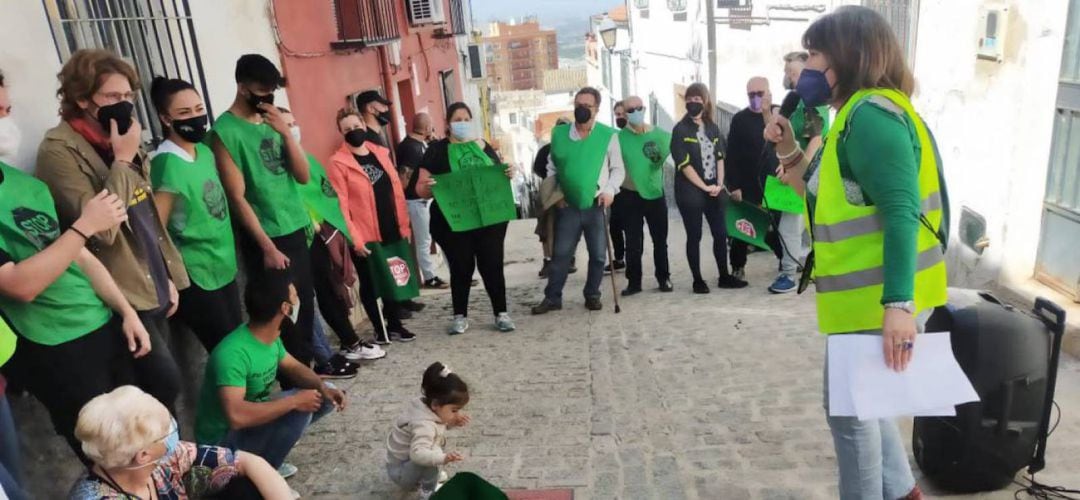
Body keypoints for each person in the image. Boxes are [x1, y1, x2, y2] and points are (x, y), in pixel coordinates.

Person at [764, 6, 949, 499]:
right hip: (864, 300)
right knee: (868, 406)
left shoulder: (870, 116)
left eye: (814, 53)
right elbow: (826, 190)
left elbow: (901, 209)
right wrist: (787, 149)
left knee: (851, 416)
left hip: (879, 299)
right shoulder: (855, 113)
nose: (805, 66)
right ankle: (905, 493)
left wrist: (898, 306)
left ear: (846, 56)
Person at [35, 48, 185, 406]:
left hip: (150, 277)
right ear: (82, 99)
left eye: (128, 96)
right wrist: (121, 160)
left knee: (160, 393)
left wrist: (166, 271)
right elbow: (100, 229)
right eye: (112, 97)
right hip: (116, 287)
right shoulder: (59, 151)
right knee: (160, 386)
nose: (124, 105)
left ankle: (167, 456)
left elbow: (143, 209)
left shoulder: (118, 136)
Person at [0, 150, 170, 457]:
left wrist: (126, 311)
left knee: (144, 423)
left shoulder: (20, 181)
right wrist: (85, 226)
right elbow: (21, 286)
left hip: (100, 319)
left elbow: (79, 254)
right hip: (50, 343)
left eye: (6, 108)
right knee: (103, 449)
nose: (5, 117)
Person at [209, 54, 318, 369]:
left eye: (272, 90)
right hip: (267, 236)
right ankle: (292, 385)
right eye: (261, 89)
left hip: (294, 225)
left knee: (305, 308)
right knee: (284, 315)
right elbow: (236, 196)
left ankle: (307, 377)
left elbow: (302, 176)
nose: (267, 96)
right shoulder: (225, 131)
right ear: (242, 88)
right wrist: (266, 246)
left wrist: (285, 132)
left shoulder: (273, 122)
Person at [195, 269, 347, 475]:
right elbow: (236, 416)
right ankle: (264, 473)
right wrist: (293, 402)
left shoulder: (269, 337)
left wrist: (320, 386)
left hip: (247, 425)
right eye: (294, 296)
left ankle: (263, 456)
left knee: (323, 393)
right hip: (221, 445)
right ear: (285, 308)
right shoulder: (232, 354)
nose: (297, 300)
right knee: (298, 411)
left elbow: (293, 367)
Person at [278, 108, 385, 376]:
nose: (293, 128)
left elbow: (323, 194)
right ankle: (326, 354)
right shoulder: (278, 165)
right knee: (310, 298)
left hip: (321, 235)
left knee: (331, 289)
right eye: (286, 125)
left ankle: (340, 346)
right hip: (296, 237)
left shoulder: (308, 159)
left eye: (294, 123)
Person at [148, 77, 243, 351]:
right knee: (226, 352)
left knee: (237, 343)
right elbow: (158, 229)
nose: (197, 117)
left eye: (199, 109)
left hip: (223, 262)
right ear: (166, 119)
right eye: (184, 113)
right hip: (195, 273)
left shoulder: (203, 151)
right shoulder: (166, 163)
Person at [69, 385, 292, 500]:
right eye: (166, 433)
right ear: (143, 454)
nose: (172, 435)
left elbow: (247, 461)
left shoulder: (166, 459)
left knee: (248, 488)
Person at [415, 102, 516, 335]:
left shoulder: (483, 146)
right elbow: (420, 188)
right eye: (457, 119)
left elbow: (497, 176)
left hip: (488, 221)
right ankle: (459, 316)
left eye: (466, 119)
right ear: (448, 124)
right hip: (455, 223)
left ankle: (501, 313)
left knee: (492, 265)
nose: (462, 123)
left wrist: (508, 173)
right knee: (461, 267)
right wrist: (429, 188)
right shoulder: (436, 150)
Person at [531, 87, 625, 314]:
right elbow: (551, 168)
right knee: (561, 253)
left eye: (587, 105)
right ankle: (553, 297)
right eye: (578, 104)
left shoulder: (608, 135)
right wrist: (557, 196)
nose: (581, 109)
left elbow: (618, 169)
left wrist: (610, 191)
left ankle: (592, 294)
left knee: (598, 254)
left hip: (597, 204)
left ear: (596, 109)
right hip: (568, 205)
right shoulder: (560, 135)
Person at [329, 109, 417, 344]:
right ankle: (380, 329)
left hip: (390, 226)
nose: (353, 132)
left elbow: (396, 190)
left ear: (363, 126)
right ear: (341, 133)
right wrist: (354, 239)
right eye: (347, 129)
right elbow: (341, 205)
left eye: (356, 126)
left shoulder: (380, 153)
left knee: (392, 276)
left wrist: (404, 226)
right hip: (365, 233)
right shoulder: (339, 163)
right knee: (371, 282)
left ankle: (395, 324)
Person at [671, 83, 748, 294]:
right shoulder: (680, 130)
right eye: (690, 99)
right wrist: (704, 186)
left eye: (697, 100)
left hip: (714, 188)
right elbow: (684, 165)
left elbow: (720, 157)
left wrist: (719, 184)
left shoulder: (713, 128)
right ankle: (697, 279)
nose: (693, 103)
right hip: (691, 190)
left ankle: (724, 275)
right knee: (694, 235)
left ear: (705, 102)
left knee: (720, 233)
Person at [767, 51, 829, 295]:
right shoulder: (799, 100)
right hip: (798, 170)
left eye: (795, 73)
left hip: (805, 173)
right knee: (799, 227)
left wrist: (799, 171)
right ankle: (802, 266)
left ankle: (788, 273)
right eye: (788, 73)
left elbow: (815, 140)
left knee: (791, 227)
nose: (791, 78)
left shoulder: (811, 103)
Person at [614, 96, 672, 295]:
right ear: (625, 113)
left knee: (660, 240)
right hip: (629, 195)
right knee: (633, 242)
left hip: (655, 193)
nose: (635, 112)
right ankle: (634, 282)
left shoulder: (660, 135)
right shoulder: (619, 138)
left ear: (644, 109)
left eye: (638, 108)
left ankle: (664, 277)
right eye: (630, 110)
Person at [386, 362, 470, 498]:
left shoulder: (424, 407)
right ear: (436, 404)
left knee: (433, 451)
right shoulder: (423, 425)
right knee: (431, 460)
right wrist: (443, 458)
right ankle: (428, 491)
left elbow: (437, 427)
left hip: (401, 465)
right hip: (401, 473)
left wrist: (453, 422)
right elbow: (417, 455)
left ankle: (428, 476)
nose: (457, 414)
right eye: (454, 410)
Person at [724, 76, 776, 284]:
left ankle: (787, 262)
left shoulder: (778, 115)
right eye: (751, 94)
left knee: (777, 225)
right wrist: (733, 185)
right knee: (742, 227)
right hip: (746, 182)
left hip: (774, 182)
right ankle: (738, 266)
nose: (755, 98)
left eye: (759, 94)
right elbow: (732, 155)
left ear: (769, 93)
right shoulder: (739, 120)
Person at [397, 112, 448, 290]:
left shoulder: (421, 144)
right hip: (416, 201)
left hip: (425, 200)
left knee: (438, 237)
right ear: (426, 127)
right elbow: (404, 176)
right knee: (424, 241)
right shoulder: (411, 148)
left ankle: (449, 272)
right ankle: (429, 276)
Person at [532, 116, 576, 279]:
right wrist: (550, 182)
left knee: (570, 226)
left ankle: (569, 259)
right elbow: (538, 168)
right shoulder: (547, 149)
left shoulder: (575, 147)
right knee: (547, 226)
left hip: (570, 192)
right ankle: (548, 260)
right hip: (550, 192)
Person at [607, 100, 628, 273]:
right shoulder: (613, 136)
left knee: (630, 226)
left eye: (622, 114)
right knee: (615, 224)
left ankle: (632, 257)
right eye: (617, 115)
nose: (619, 118)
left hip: (632, 187)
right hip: (616, 186)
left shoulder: (633, 136)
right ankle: (620, 257)